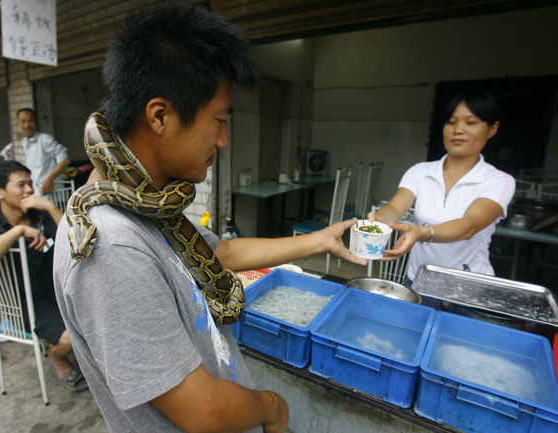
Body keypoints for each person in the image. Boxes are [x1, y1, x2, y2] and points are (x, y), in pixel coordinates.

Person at [53, 3, 367, 432]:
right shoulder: (111, 247)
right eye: (219, 120)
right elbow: (204, 412)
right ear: (160, 115)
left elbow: (225, 251)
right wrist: (274, 407)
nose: (222, 139)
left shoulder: (154, 208)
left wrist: (321, 240)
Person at [368, 90, 516, 286]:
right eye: (451, 122)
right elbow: (395, 208)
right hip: (418, 280)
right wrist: (380, 220)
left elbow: (469, 226)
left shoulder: (499, 181)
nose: (458, 130)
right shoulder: (420, 171)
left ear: (492, 128)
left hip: (469, 284)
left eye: (471, 123)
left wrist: (421, 233)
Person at [0, 161, 88, 392]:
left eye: (30, 184)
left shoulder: (39, 214)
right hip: (21, 302)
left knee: (98, 317)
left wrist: (51, 208)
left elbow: (77, 239)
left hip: (55, 287)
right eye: (21, 185)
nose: (29, 190)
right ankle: (56, 356)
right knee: (71, 337)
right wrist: (18, 231)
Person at [17, 108, 71, 197]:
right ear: (18, 124)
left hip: (53, 195)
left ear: (36, 122)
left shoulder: (45, 139)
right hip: (37, 193)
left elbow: (65, 160)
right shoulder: (25, 143)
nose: (27, 125)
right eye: (23, 121)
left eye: (31, 121)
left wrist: (49, 179)